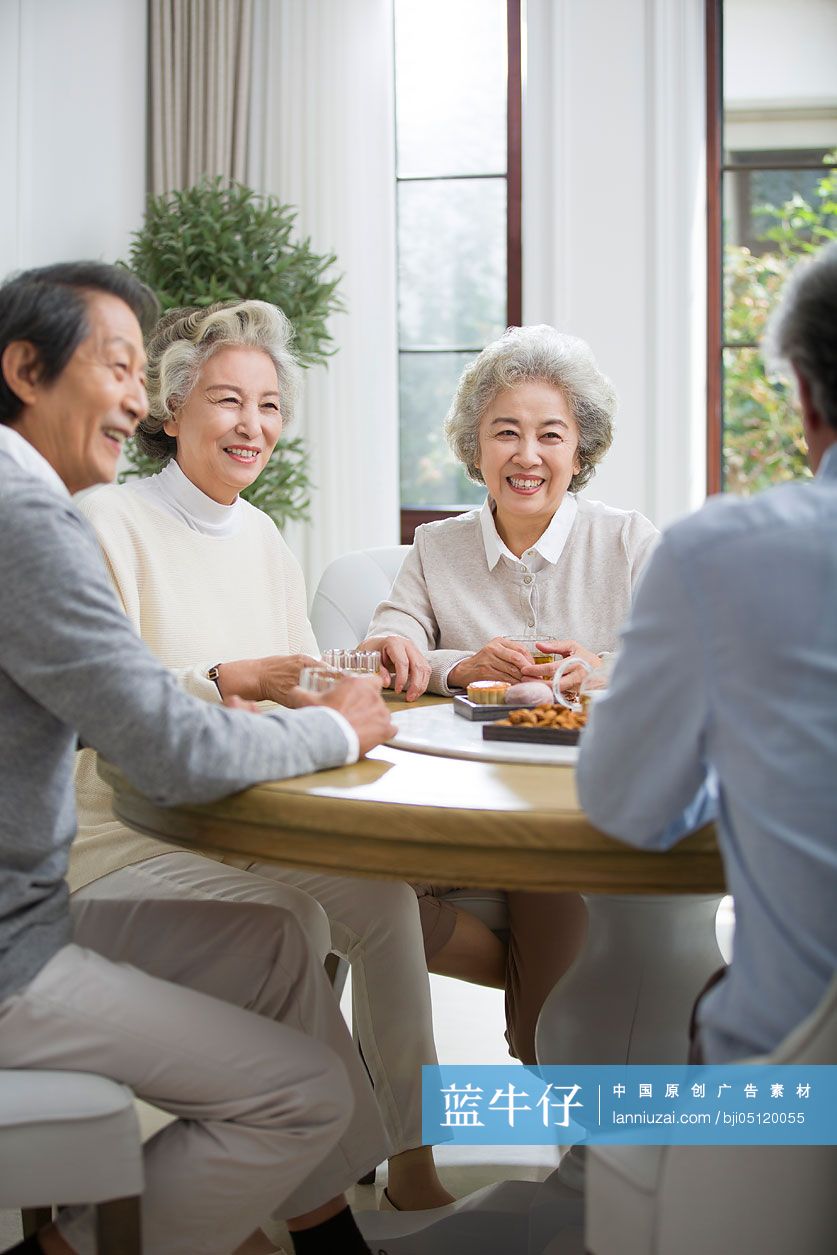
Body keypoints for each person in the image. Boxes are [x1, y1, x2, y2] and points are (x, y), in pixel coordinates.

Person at [0, 261, 397, 1255]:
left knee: (273, 943)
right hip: (18, 950)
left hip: (34, 910)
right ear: (23, 370)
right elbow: (166, 746)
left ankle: (324, 1230)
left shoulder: (35, 512)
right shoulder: (34, 528)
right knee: (299, 1094)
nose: (139, 399)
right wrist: (340, 727)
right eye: (121, 367)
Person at [71, 299, 452, 1211]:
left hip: (234, 815)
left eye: (270, 405)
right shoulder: (105, 522)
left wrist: (385, 667)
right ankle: (306, 1194)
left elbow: (291, 684)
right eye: (226, 401)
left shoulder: (264, 536)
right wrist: (221, 673)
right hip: (123, 833)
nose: (253, 426)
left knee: (385, 903)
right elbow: (101, 703)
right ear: (171, 412)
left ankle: (412, 1163)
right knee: (290, 921)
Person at [362, 324, 659, 1062]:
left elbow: (685, 660)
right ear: (475, 447)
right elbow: (390, 637)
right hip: (452, 805)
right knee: (360, 890)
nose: (527, 455)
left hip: (568, 816)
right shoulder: (436, 546)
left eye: (550, 435)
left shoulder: (627, 542)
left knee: (539, 1038)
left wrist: (599, 668)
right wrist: (461, 665)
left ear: (579, 449)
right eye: (505, 433)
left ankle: (552, 1040)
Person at [576, 241, 837, 1063]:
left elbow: (629, 807)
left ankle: (616, 1180)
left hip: (786, 1107)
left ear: (802, 391)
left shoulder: (718, 554)